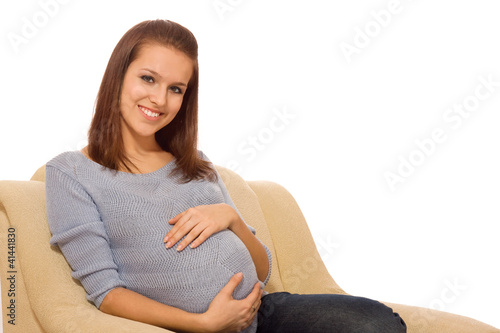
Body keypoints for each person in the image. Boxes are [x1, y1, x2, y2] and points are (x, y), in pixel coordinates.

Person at [45, 19, 407, 333]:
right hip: (191, 328)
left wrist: (230, 219)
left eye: (176, 89)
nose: (159, 99)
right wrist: (203, 324)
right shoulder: (72, 173)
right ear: (118, 76)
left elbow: (262, 270)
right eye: (148, 79)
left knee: (379, 324)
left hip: (264, 316)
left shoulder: (195, 163)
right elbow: (107, 294)